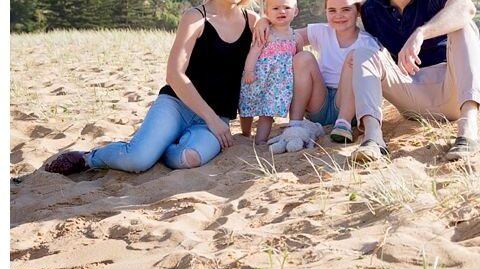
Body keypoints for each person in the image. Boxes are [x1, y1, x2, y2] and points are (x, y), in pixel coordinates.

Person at [44, 0, 259, 175]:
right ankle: (88, 158)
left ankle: (158, 146)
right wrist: (212, 119)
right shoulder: (195, 18)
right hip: (177, 105)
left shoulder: (253, 21)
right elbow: (174, 75)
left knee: (190, 158)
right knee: (137, 160)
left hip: (216, 117)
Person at [345, 0, 480, 163]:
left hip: (455, 90)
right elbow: (339, 14)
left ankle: (468, 132)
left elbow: (466, 8)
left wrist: (421, 33)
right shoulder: (372, 8)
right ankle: (373, 138)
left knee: (464, 25)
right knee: (362, 53)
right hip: (412, 96)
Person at [249, 0, 381, 144]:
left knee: (355, 57)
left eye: (346, 10)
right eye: (332, 10)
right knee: (303, 57)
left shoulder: (367, 42)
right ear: (325, 12)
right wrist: (265, 21)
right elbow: (284, 34)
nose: (339, 15)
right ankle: (295, 124)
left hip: (348, 103)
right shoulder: (321, 31)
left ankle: (344, 124)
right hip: (319, 102)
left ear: (358, 11)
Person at [240, 0, 304, 144]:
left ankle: (260, 141)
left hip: (278, 84)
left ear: (295, 11)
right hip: (258, 78)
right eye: (275, 8)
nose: (281, 11)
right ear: (267, 13)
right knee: (247, 106)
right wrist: (249, 71)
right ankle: (245, 133)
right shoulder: (266, 32)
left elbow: (299, 61)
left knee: (267, 113)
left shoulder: (297, 38)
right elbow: (253, 52)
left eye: (287, 8)